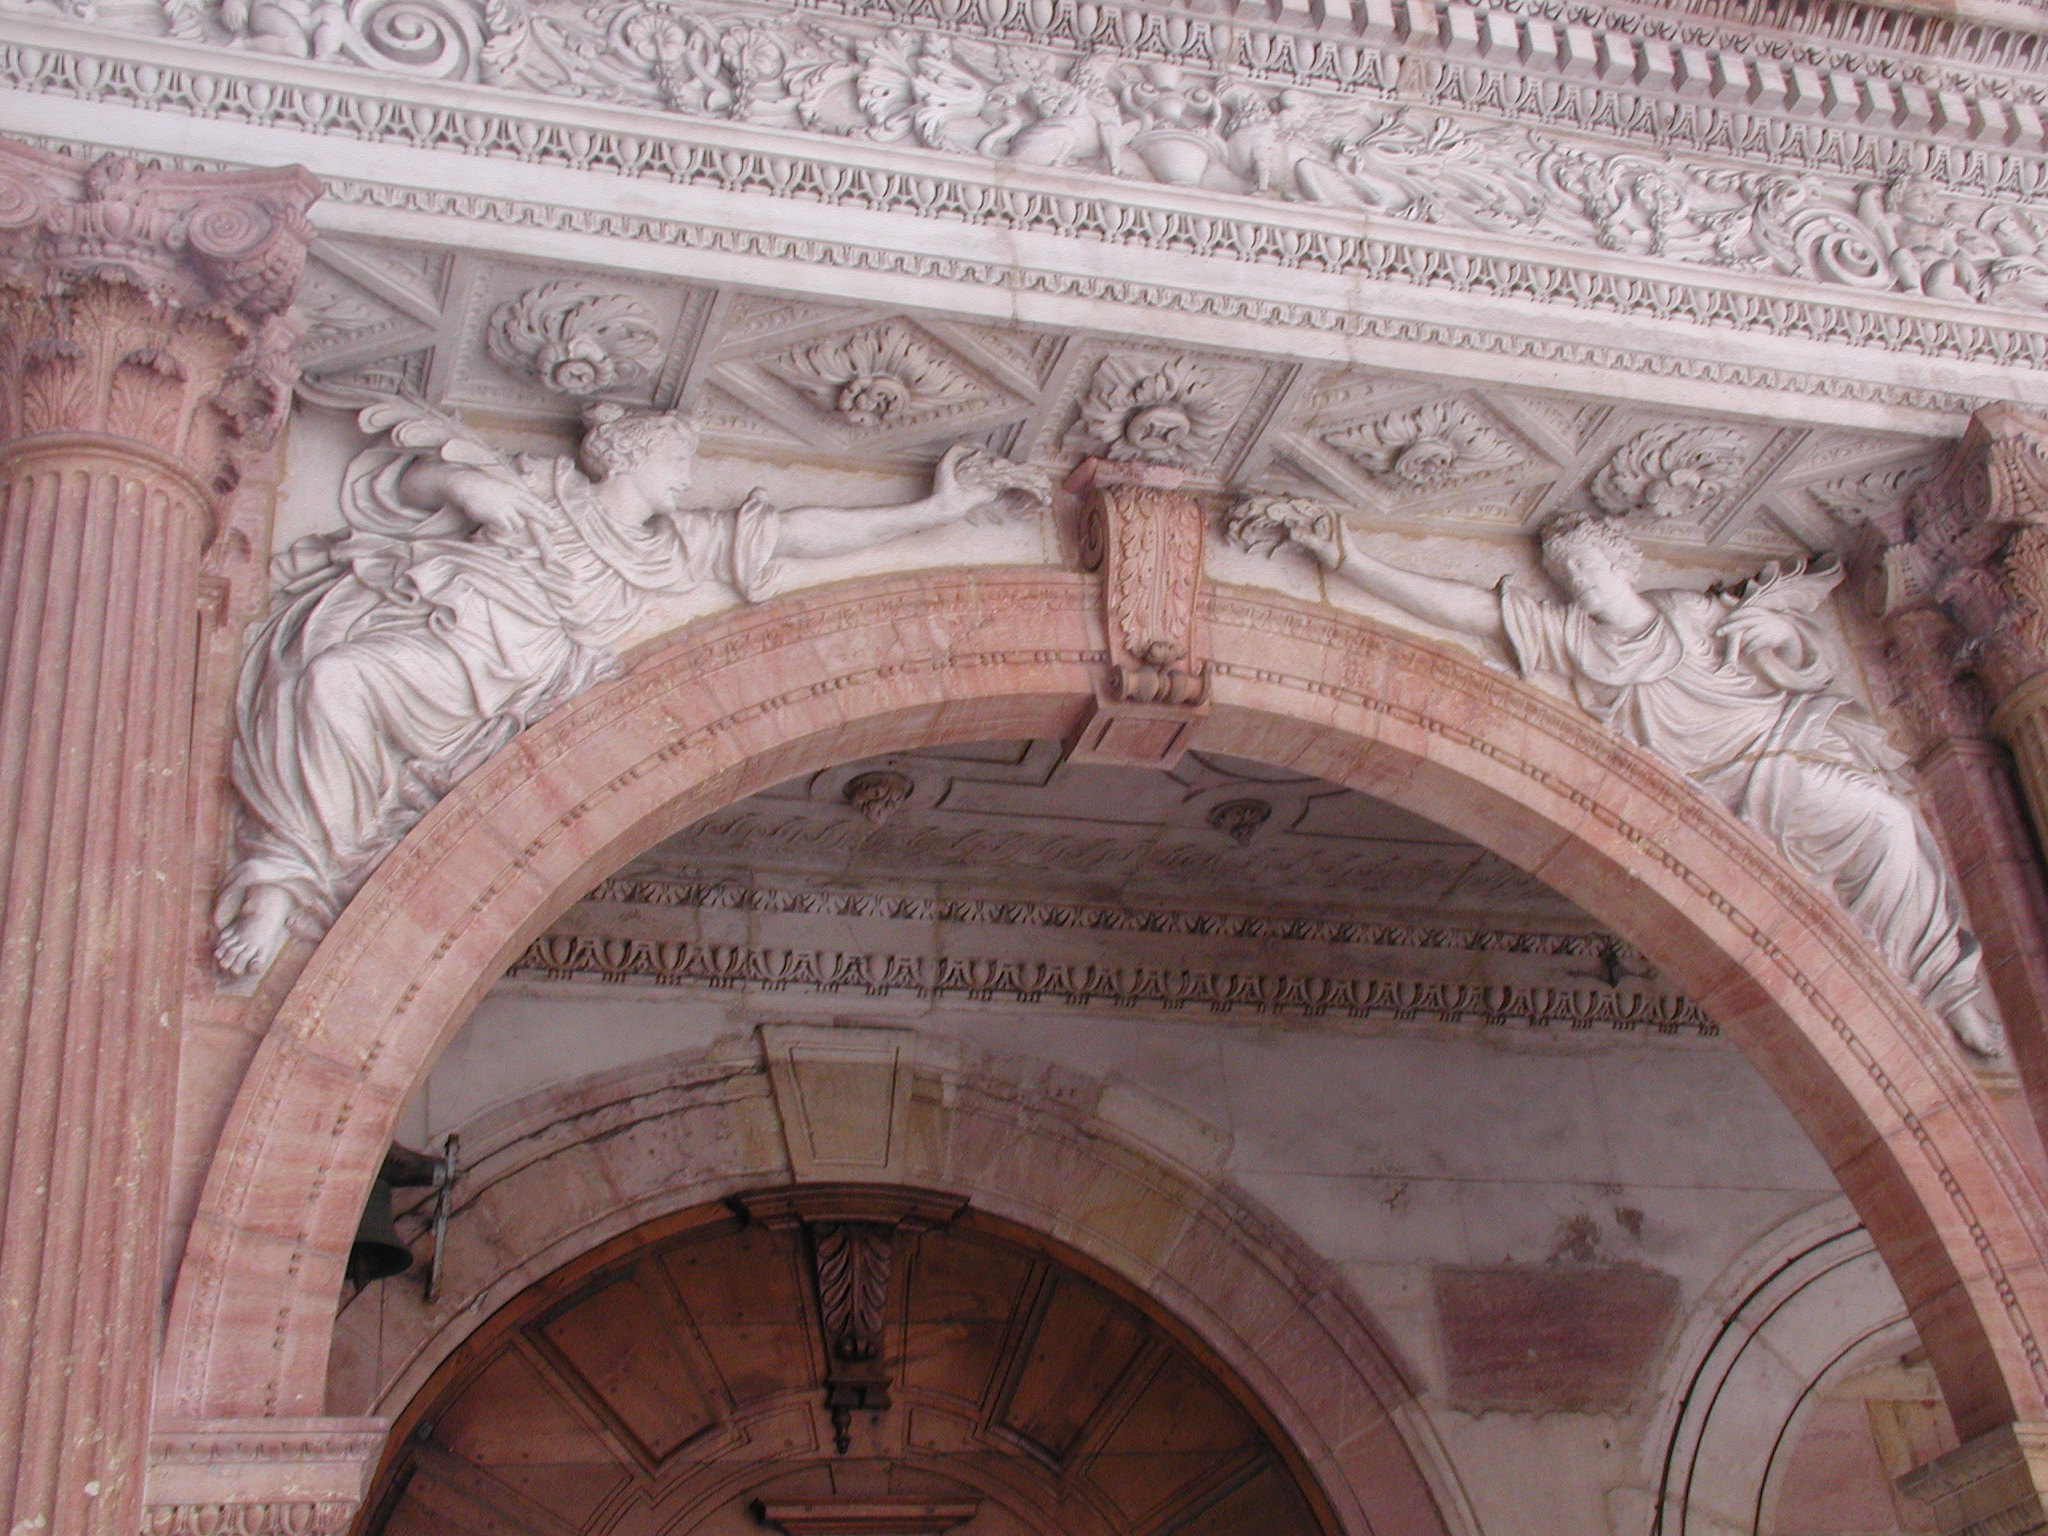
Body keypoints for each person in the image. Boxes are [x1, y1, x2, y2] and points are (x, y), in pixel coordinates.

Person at [215, 397, 1046, 976]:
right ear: (632, 457)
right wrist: (467, 486)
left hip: (501, 677)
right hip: (446, 629)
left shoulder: (669, 548)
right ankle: (280, 879)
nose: (686, 477)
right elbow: (402, 485)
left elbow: (799, 533)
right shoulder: (541, 491)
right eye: (677, 460)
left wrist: (931, 514)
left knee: (335, 682)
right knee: (328, 679)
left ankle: (285, 878)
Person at [1228, 496, 2003, 1057]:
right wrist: (1354, 560)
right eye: (1565, 571)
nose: (1579, 579)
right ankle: (1939, 990)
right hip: (1718, 794)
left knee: (1890, 821)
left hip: (1776, 751)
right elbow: (1467, 612)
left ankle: (1946, 988)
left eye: (1588, 564)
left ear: (1624, 562)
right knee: (1877, 827)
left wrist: (1778, 630)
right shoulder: (1577, 640)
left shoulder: (1689, 614)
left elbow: (1797, 642)